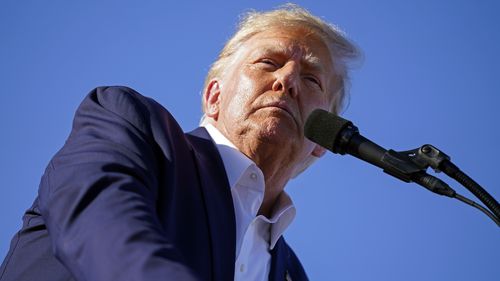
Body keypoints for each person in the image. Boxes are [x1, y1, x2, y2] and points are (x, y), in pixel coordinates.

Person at [0, 4, 358, 281]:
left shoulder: (292, 273)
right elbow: (102, 229)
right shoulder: (134, 127)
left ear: (321, 139)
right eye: (268, 62)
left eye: (312, 79)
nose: (288, 80)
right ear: (214, 97)